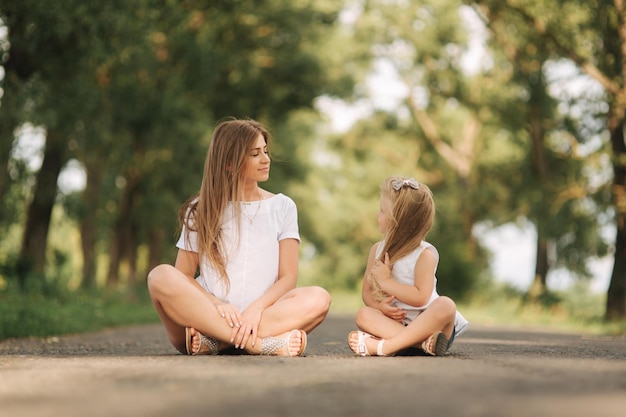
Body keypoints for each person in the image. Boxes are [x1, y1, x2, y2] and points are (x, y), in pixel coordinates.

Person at [148, 118, 331, 357]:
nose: (266, 159)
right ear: (229, 163)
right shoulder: (200, 208)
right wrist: (218, 306)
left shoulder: (283, 206)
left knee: (319, 298)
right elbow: (183, 275)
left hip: (262, 317)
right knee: (159, 276)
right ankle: (258, 345)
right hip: (207, 316)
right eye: (255, 154)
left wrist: (256, 309)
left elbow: (288, 278)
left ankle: (218, 342)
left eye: (265, 151)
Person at [348, 176, 469, 357]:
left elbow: (421, 297)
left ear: (398, 221)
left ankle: (386, 347)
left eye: (382, 211)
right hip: (397, 325)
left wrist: (387, 282)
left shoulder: (425, 254)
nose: (377, 214)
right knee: (363, 315)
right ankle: (421, 345)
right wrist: (380, 307)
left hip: (430, 326)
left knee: (446, 305)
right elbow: (367, 292)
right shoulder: (377, 250)